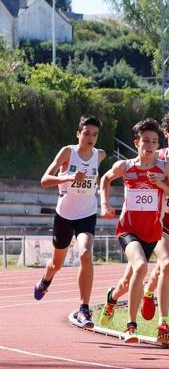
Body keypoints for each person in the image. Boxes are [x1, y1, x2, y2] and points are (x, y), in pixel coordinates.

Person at [99, 110, 169, 344]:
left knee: (164, 266)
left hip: (167, 225)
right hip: (133, 229)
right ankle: (121, 310)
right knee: (135, 272)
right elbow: (106, 178)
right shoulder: (135, 163)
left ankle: (160, 320)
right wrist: (104, 202)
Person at [33, 116, 106, 329]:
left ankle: (84, 308)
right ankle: (45, 280)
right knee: (56, 264)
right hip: (64, 215)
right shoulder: (68, 152)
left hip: (87, 214)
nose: (90, 138)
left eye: (94, 134)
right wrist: (68, 177)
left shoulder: (99, 155)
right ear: (78, 133)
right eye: (86, 133)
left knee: (85, 253)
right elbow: (45, 179)